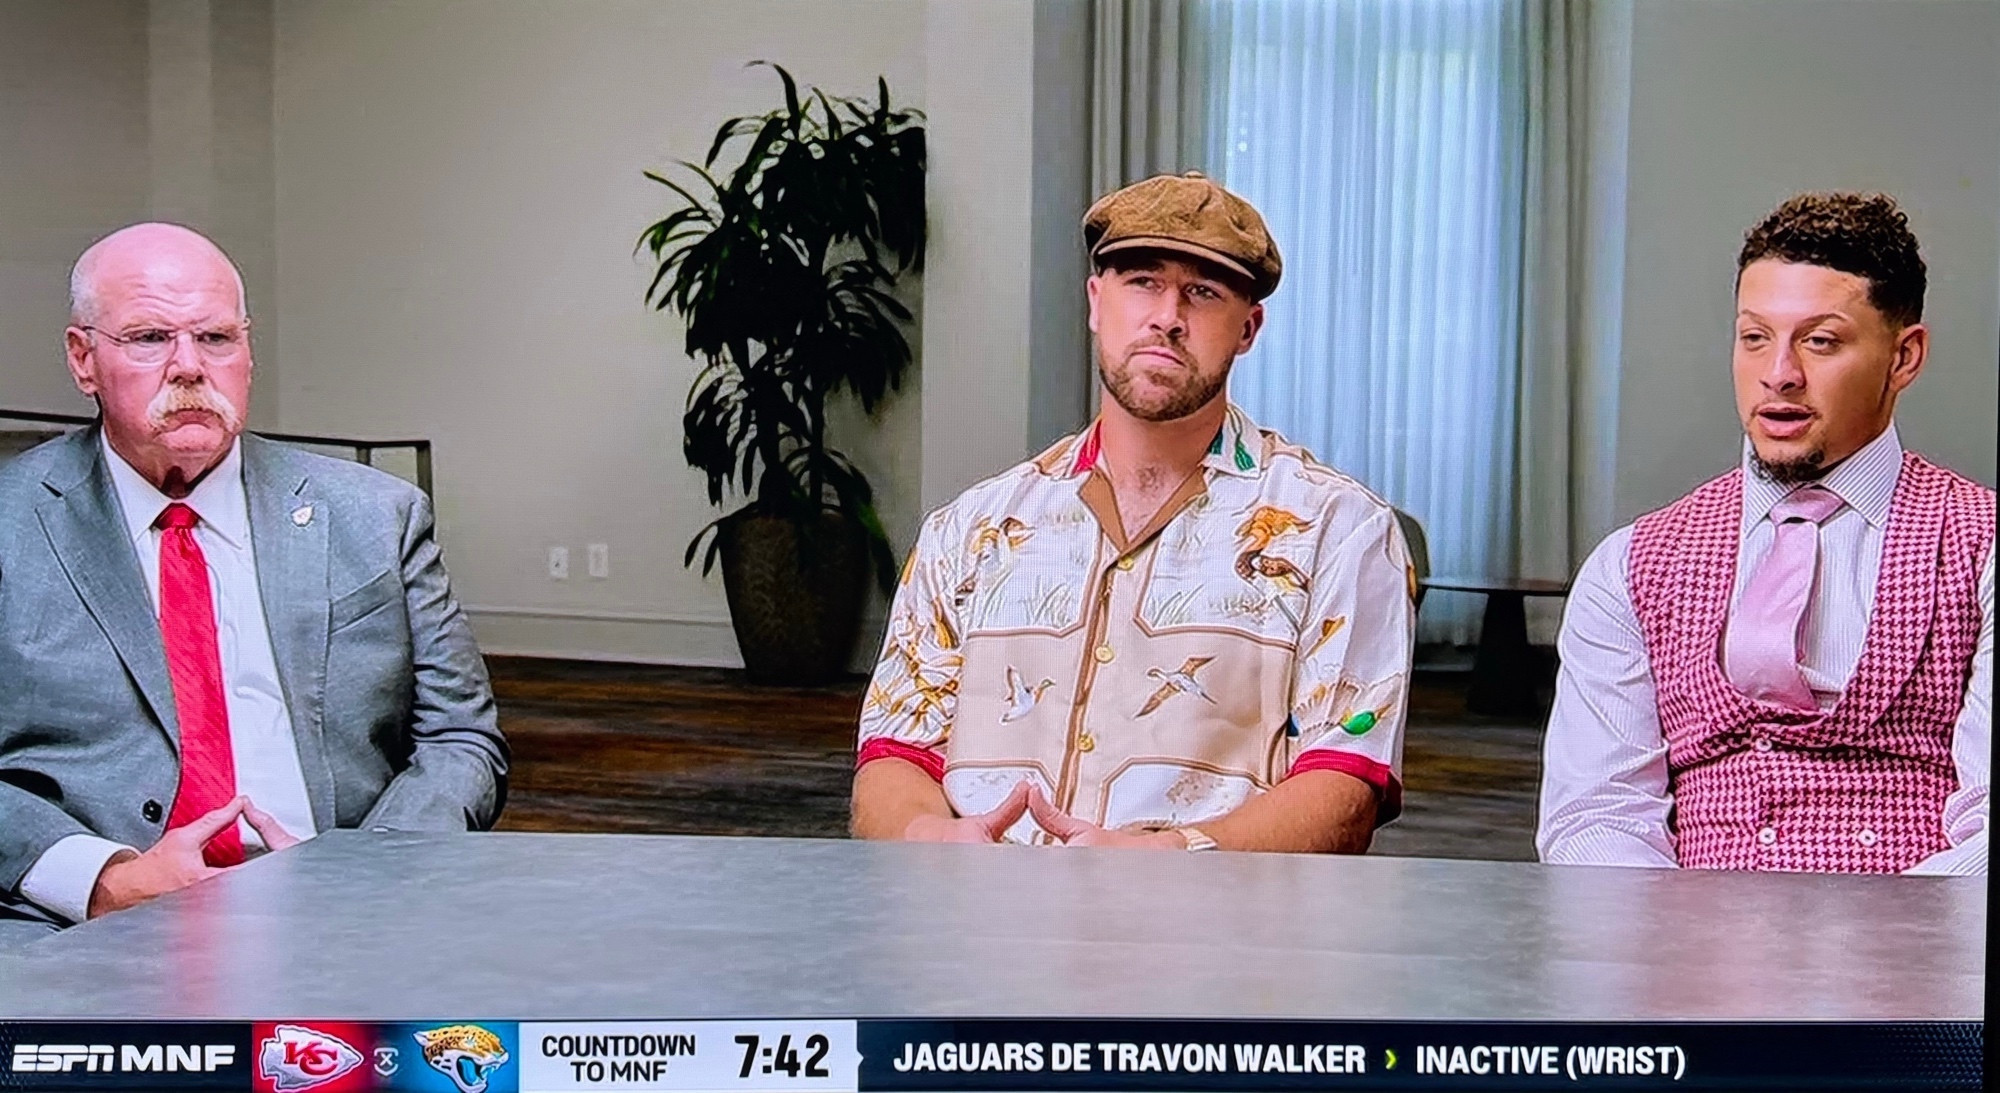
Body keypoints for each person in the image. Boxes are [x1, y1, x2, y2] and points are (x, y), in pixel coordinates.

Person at [850, 173, 1415, 851]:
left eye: (1203, 292)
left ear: (1248, 328)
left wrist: (1170, 856)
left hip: (1214, 915)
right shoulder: (969, 531)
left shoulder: (1338, 532)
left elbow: (1344, 787)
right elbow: (895, 755)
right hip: (977, 911)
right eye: (1143, 281)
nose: (1167, 317)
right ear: (1096, 301)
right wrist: (927, 839)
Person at [0, 223, 508, 943]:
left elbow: (460, 739)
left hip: (351, 917)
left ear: (248, 351)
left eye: (215, 338)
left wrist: (367, 870)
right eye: (149, 338)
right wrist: (101, 879)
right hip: (73, 925)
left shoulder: (375, 516)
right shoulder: (12, 524)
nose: (188, 367)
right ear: (83, 359)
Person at [1538, 193, 1991, 875]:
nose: (1779, 373)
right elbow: (1595, 813)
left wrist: (1890, 936)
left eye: (1820, 341)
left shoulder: (1983, 548)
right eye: (1754, 337)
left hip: (1921, 931)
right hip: (1684, 932)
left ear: (1904, 357)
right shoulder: (1630, 565)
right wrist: (1668, 934)